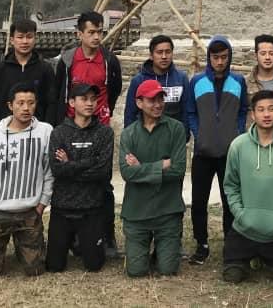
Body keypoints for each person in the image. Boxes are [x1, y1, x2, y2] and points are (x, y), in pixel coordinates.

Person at [52, 10, 124, 257]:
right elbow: (59, 90)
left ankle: (108, 234)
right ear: (79, 33)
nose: (96, 37)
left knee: (102, 183)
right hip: (72, 126)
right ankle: (70, 234)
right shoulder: (68, 60)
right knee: (69, 177)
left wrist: (104, 113)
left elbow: (114, 88)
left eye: (100, 32)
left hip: (99, 128)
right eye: (91, 32)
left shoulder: (109, 60)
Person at [222, 90, 273, 284]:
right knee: (231, 276)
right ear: (253, 114)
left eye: (271, 109)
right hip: (244, 229)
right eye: (261, 110)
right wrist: (241, 214)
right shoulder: (238, 145)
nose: (266, 114)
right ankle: (252, 258)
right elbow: (231, 185)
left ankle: (266, 258)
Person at [0, 82, 54, 279]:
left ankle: (24, 246)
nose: (26, 108)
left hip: (29, 212)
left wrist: (41, 205)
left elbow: (49, 173)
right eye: (20, 103)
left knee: (34, 270)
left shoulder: (45, 132)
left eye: (31, 103)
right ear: (10, 105)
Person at [185, 34, 249, 265]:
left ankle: (230, 243)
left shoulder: (239, 81)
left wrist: (238, 131)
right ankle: (201, 244)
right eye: (215, 57)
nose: (220, 62)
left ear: (229, 57)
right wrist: (198, 132)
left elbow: (244, 110)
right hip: (203, 152)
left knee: (229, 200)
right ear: (209, 57)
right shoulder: (197, 81)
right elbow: (190, 111)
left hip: (229, 153)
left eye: (224, 57)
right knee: (199, 201)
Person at [118, 79, 188, 278]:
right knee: (136, 271)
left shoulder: (176, 129)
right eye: (151, 100)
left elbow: (178, 170)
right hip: (136, 212)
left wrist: (142, 168)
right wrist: (161, 165)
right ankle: (143, 251)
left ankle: (164, 249)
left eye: (160, 99)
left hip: (168, 210)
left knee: (168, 269)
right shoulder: (128, 134)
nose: (158, 104)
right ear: (139, 103)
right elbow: (126, 173)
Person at [45, 83, 114, 273]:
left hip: (92, 207)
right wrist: (89, 161)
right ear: (72, 102)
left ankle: (82, 243)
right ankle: (72, 242)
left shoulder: (104, 132)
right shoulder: (59, 132)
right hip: (63, 206)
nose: (90, 103)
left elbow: (102, 171)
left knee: (94, 265)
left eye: (93, 99)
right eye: (84, 99)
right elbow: (57, 170)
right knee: (54, 266)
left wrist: (70, 164)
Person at [0, 18, 56, 133]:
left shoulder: (45, 69)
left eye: (29, 37)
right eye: (20, 37)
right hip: (4, 133)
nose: (25, 41)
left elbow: (51, 104)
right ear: (12, 40)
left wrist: (49, 130)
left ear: (35, 39)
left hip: (37, 133)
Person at [124, 34, 191, 136]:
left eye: (168, 52)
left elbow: (186, 111)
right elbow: (130, 113)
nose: (164, 57)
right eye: (159, 52)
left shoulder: (181, 79)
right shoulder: (139, 81)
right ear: (151, 55)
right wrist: (130, 139)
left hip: (172, 138)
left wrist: (184, 136)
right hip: (145, 137)